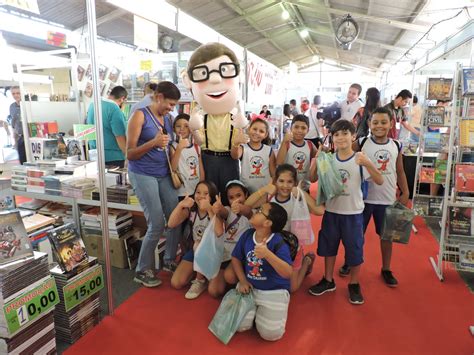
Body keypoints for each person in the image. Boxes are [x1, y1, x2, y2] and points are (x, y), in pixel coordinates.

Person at [308, 120, 383, 305]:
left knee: (355, 249)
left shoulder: (359, 159)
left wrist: (369, 164)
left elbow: (379, 180)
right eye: (336, 135)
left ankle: (354, 283)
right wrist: (317, 159)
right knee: (328, 247)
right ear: (332, 138)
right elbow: (312, 178)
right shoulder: (329, 159)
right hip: (332, 212)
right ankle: (328, 280)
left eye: (344, 133)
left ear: (353, 136)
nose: (340, 138)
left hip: (354, 214)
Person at [339, 107, 409, 287]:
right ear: (369, 123)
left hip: (387, 200)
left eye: (383, 122)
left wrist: (406, 191)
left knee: (387, 237)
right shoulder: (361, 143)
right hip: (362, 200)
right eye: (375, 122)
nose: (379, 126)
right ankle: (350, 261)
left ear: (391, 124)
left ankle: (386, 268)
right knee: (355, 236)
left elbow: (400, 170)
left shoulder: (396, 145)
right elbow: (345, 157)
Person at [127, 81, 181, 287]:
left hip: (163, 173)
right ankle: (142, 270)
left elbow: (168, 146)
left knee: (176, 216)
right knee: (157, 223)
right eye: (169, 103)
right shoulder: (139, 115)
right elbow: (130, 153)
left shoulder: (167, 119)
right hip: (142, 174)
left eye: (174, 105)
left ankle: (168, 260)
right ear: (158, 97)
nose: (171, 108)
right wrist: (153, 143)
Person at [183, 43, 247, 202]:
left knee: (229, 195)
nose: (215, 80)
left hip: (228, 160)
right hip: (208, 158)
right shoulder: (202, 116)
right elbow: (200, 142)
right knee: (209, 195)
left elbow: (236, 152)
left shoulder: (235, 118)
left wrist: (238, 140)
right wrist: (194, 130)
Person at [245, 164, 324, 292]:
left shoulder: (297, 198)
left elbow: (320, 210)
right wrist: (264, 190)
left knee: (292, 288)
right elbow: (247, 205)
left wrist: (301, 193)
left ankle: (307, 262)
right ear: (275, 181)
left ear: (295, 183)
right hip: (272, 246)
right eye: (281, 181)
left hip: (292, 246)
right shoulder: (269, 197)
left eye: (289, 182)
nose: (285, 186)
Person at [232, 202, 292, 341]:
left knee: (271, 335)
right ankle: (255, 313)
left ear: (267, 223)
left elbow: (288, 273)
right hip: (250, 288)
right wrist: (242, 280)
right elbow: (235, 258)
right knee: (239, 326)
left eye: (259, 211)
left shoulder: (278, 242)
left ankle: (266, 311)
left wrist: (267, 254)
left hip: (274, 290)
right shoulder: (247, 235)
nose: (254, 211)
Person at [169, 181, 223, 299]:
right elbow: (171, 223)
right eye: (198, 192)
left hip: (212, 253)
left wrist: (209, 210)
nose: (201, 196)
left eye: (206, 193)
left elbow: (219, 232)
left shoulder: (215, 210)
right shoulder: (192, 211)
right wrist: (180, 205)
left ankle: (199, 280)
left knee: (199, 244)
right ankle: (198, 272)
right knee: (176, 283)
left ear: (212, 196)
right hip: (194, 251)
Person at [212, 180, 253, 297]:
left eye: (239, 195)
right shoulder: (228, 210)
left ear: (246, 195)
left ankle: (239, 280)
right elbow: (224, 212)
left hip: (241, 256)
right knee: (214, 291)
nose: (235, 200)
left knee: (229, 276)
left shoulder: (252, 211)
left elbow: (248, 212)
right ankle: (232, 282)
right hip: (225, 255)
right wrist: (218, 208)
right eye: (231, 197)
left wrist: (242, 208)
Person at [86, 86, 128, 168]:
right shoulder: (114, 109)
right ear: (122, 99)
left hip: (95, 155)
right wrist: (128, 155)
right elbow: (119, 136)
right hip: (114, 158)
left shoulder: (93, 104)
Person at [231, 118, 276, 194]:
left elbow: (273, 173)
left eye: (261, 131)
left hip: (265, 192)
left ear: (265, 135)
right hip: (247, 192)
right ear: (249, 129)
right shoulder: (243, 147)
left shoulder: (269, 150)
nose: (257, 133)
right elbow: (234, 156)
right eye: (254, 129)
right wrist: (236, 143)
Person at [276, 115, 316, 192]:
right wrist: (284, 142)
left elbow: (319, 157)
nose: (299, 130)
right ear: (291, 128)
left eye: (303, 128)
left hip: (304, 188)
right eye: (296, 127)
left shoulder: (310, 144)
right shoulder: (287, 144)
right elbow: (279, 162)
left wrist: (324, 150)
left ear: (308, 130)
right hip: (287, 188)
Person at [170, 113, 205, 198]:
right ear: (174, 129)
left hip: (196, 191)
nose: (182, 129)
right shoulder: (173, 146)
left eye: (186, 126)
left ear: (190, 129)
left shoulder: (196, 146)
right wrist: (179, 148)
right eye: (178, 126)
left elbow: (200, 168)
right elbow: (173, 168)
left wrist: (201, 185)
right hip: (182, 192)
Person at [9, 86, 26, 164]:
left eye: (18, 93)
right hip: (20, 137)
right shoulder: (12, 107)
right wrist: (15, 141)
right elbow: (14, 124)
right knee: (22, 161)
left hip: (31, 137)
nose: (15, 95)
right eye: (13, 93)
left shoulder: (27, 104)